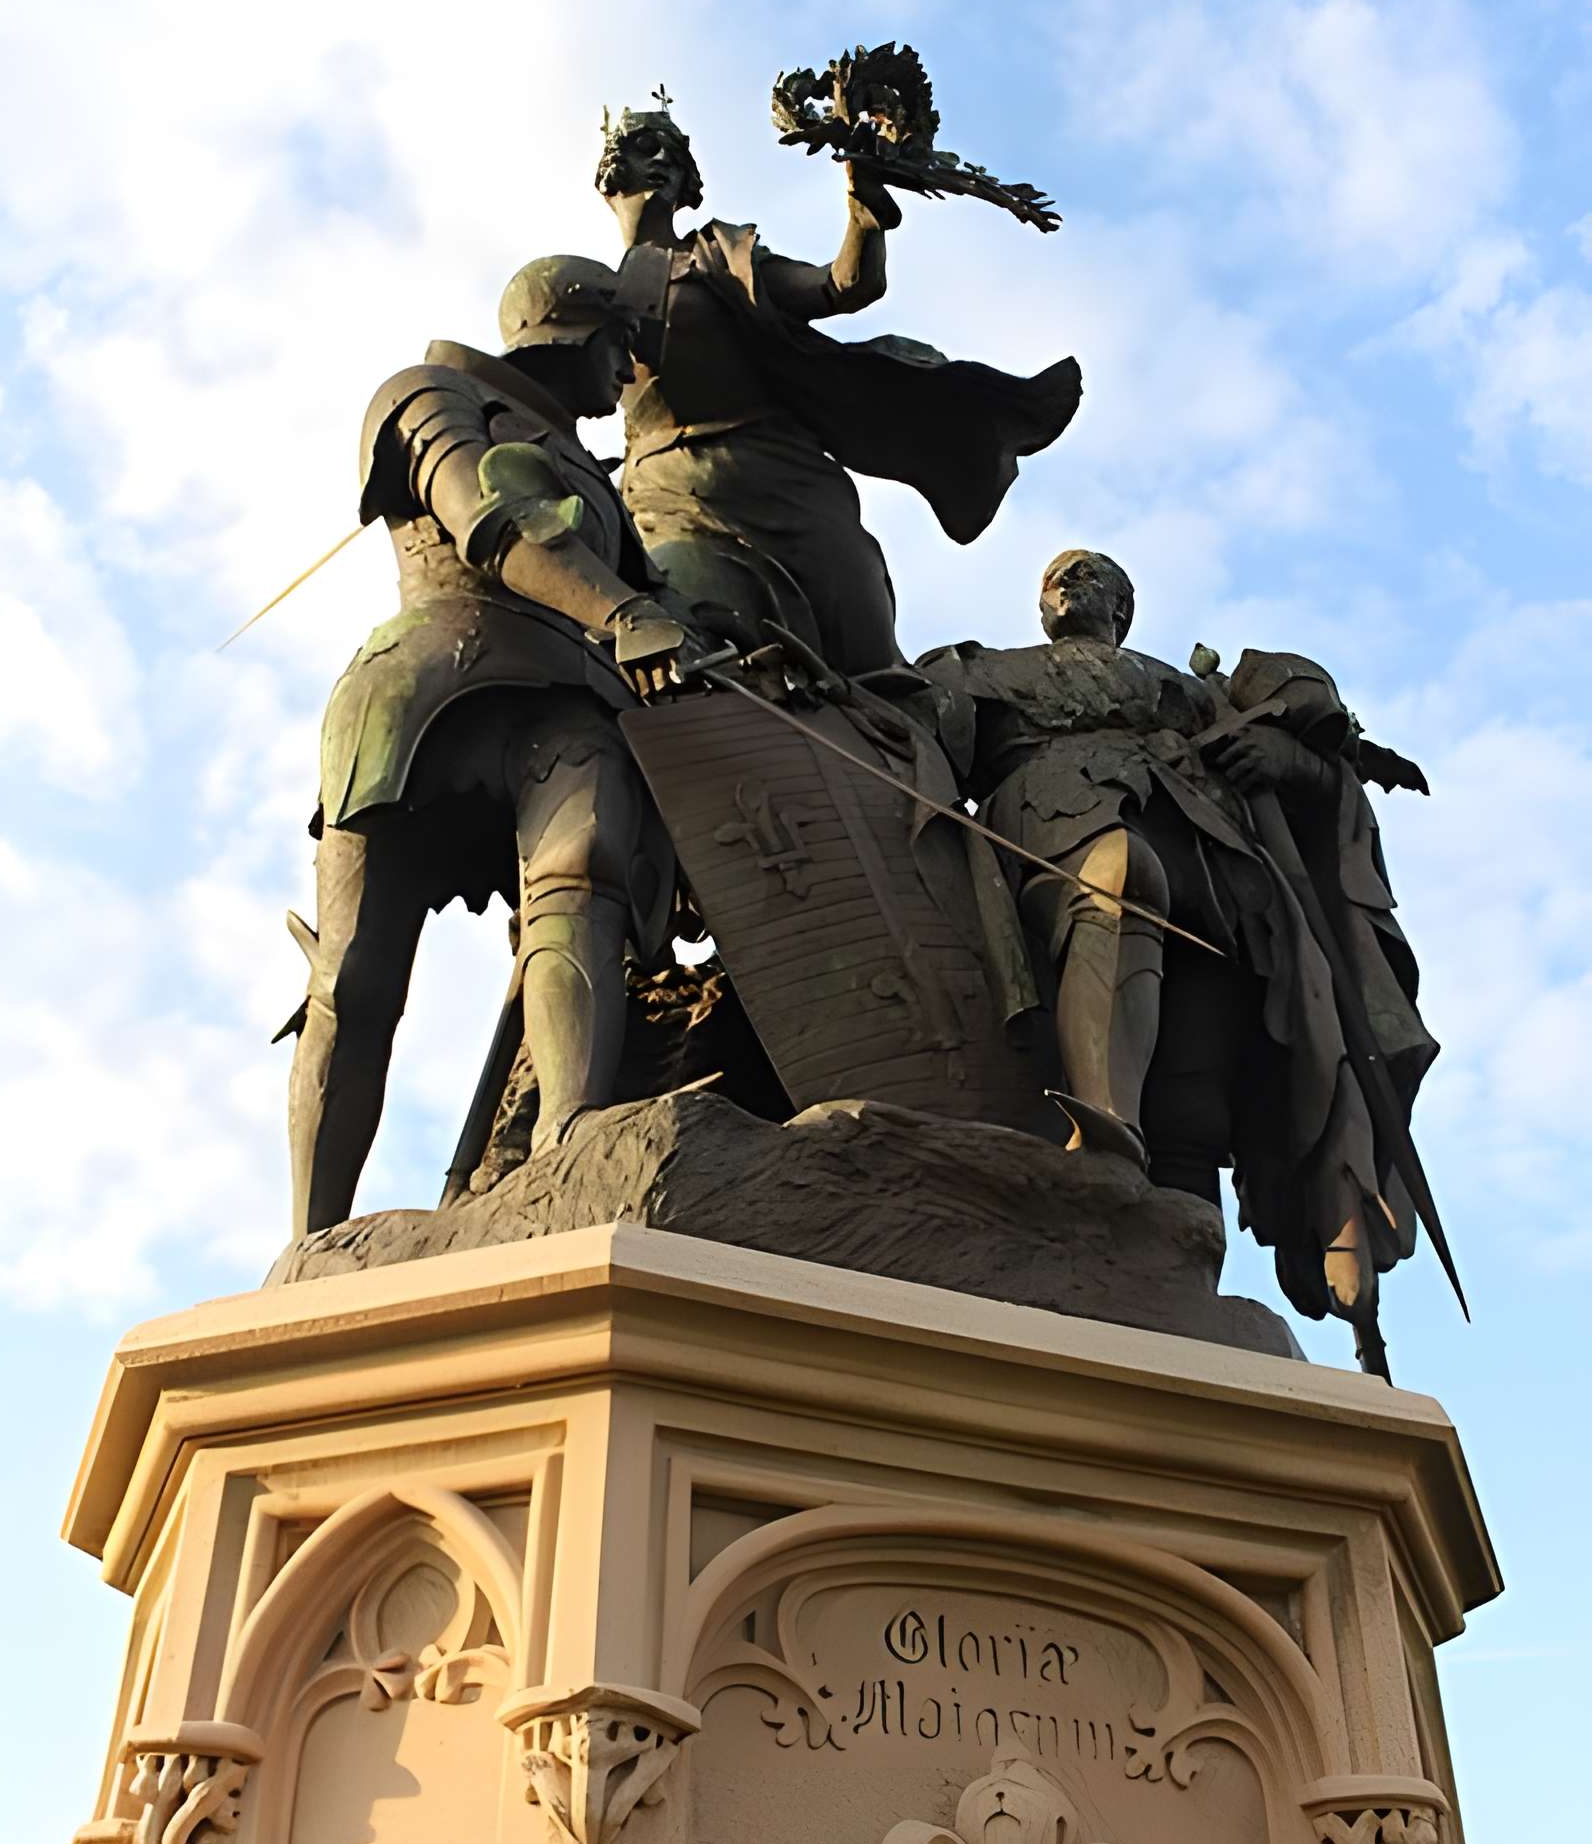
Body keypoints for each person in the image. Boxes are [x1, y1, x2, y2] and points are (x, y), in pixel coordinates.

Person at [283, 255, 719, 1239]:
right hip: (427, 686)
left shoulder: (598, 482)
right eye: (619, 346)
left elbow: (667, 603)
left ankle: (569, 1148)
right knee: (353, 978)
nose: (628, 372)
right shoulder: (428, 394)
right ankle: (310, 1235)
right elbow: (491, 519)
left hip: (570, 700)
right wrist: (621, 615)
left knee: (584, 870)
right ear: (573, 331)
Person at [920, 549, 1439, 1332]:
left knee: (1195, 1103)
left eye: (1090, 575)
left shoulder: (1189, 693)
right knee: (1120, 873)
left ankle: (1185, 1290)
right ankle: (1106, 1140)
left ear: (1123, 610)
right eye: (1055, 577)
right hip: (1057, 837)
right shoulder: (980, 671)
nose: (1068, 584)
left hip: (1217, 879)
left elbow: (1305, 763)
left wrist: (1289, 758)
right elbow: (897, 719)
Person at [597, 100, 1082, 676]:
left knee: (871, 664)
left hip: (786, 481)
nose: (661, 162)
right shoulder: (586, 290)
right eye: (644, 147)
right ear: (610, 172)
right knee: (689, 642)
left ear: (688, 184)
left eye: (674, 157)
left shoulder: (718, 256)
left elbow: (843, 286)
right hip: (672, 499)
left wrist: (863, 209)